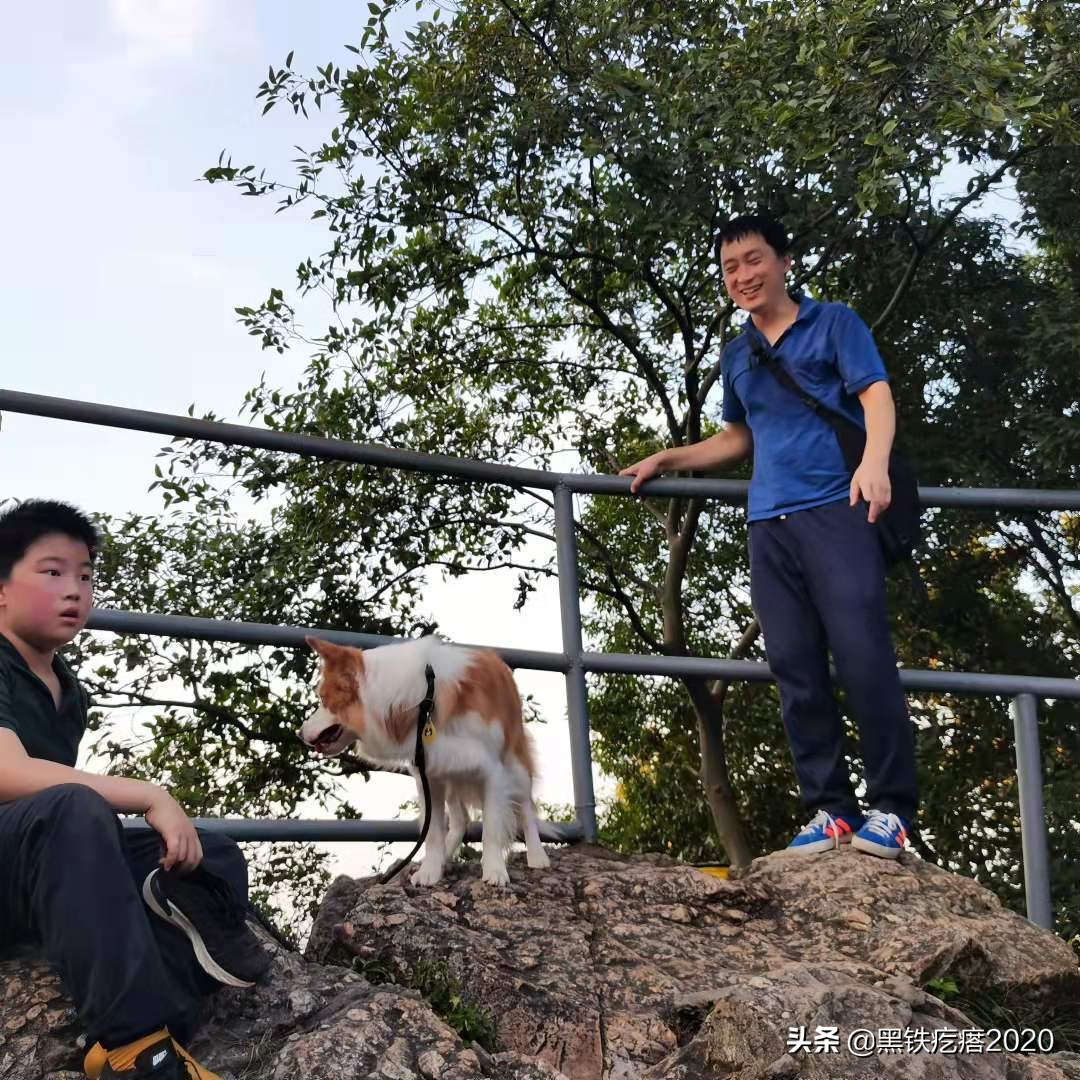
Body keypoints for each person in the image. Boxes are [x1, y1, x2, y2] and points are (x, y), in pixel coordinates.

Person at [620, 213, 918, 859]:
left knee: (863, 655)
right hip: (768, 521)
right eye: (730, 268)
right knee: (794, 666)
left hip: (839, 508)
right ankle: (830, 808)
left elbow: (875, 396)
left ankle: (891, 808)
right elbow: (738, 438)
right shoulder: (738, 353)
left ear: (783, 262)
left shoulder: (834, 322)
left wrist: (872, 464)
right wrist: (668, 458)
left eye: (753, 260)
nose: (743, 276)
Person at [0, 499, 271, 1079]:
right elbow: (7, 773)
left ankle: (165, 1013)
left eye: (86, 576)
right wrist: (149, 793)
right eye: (52, 572)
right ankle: (134, 1051)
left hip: (30, 874)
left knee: (209, 852)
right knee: (74, 809)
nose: (75, 590)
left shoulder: (65, 688)